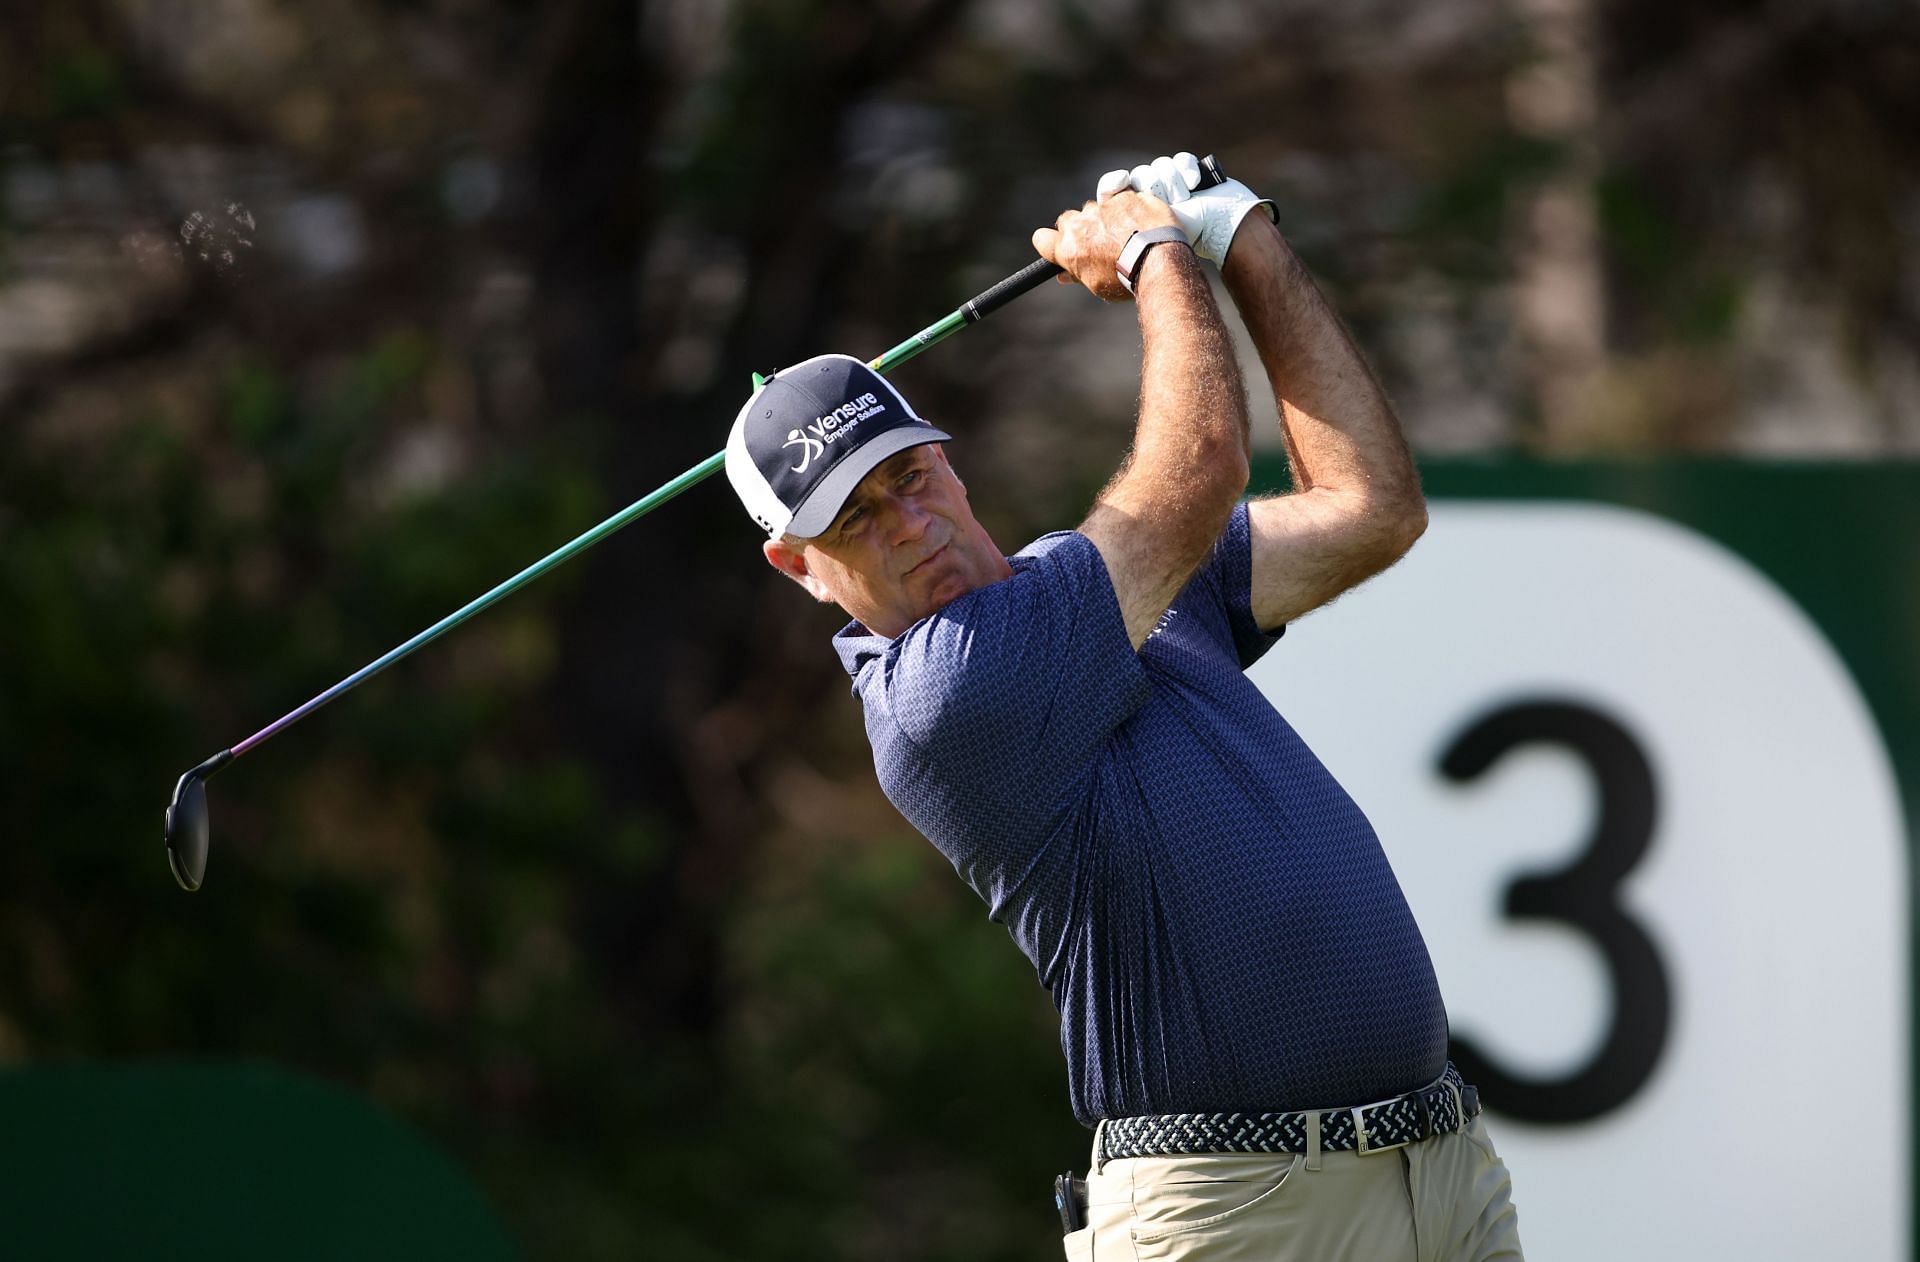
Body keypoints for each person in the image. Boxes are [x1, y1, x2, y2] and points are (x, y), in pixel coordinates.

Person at [724, 152, 1524, 1261]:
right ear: (795, 564)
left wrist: (1242, 235)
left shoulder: (1106, 588)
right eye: (853, 519)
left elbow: (1370, 506)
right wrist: (1155, 250)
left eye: (908, 477)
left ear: (945, 461)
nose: (908, 522)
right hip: (1238, 1210)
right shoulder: (946, 694)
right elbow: (1197, 467)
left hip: (1439, 1172)